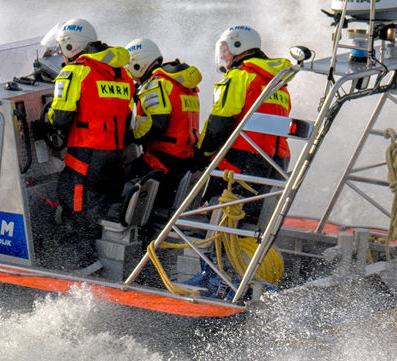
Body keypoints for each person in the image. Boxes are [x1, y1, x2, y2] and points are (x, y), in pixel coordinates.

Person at [40, 18, 136, 265]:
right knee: (99, 210)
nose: (61, 53)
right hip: (114, 160)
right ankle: (102, 264)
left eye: (62, 47)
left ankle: (79, 270)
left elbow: (60, 118)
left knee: (74, 209)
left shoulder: (75, 71)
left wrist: (44, 121)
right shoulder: (121, 73)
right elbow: (125, 116)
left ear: (72, 46)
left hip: (86, 160)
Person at [196, 25, 294, 228]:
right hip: (276, 163)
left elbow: (219, 123)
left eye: (225, 49)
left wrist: (201, 154)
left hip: (241, 161)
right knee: (251, 221)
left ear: (238, 46)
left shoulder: (239, 77)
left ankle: (211, 255)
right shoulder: (279, 84)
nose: (223, 54)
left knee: (219, 215)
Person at [120, 36, 204, 217]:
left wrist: (128, 135)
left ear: (138, 64)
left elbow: (157, 124)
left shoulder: (155, 84)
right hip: (186, 158)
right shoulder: (183, 85)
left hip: (164, 160)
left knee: (116, 180)